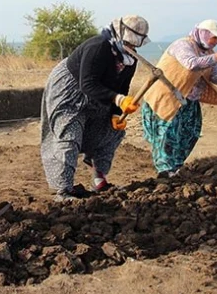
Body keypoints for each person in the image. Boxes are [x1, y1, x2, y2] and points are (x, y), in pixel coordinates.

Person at [40, 15, 151, 202]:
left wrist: (117, 113)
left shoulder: (130, 59)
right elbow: (88, 84)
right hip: (71, 90)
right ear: (120, 34)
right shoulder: (98, 47)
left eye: (136, 45)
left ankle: (99, 177)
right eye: (131, 44)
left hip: (100, 93)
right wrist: (119, 99)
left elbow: (122, 86)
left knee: (111, 131)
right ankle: (63, 190)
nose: (133, 48)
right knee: (70, 133)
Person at [141, 19, 217, 177]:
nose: (215, 42)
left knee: (190, 133)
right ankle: (165, 171)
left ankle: (176, 168)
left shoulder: (208, 53)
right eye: (213, 37)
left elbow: (216, 76)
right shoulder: (183, 45)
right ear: (202, 33)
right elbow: (191, 64)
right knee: (167, 135)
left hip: (189, 101)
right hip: (168, 99)